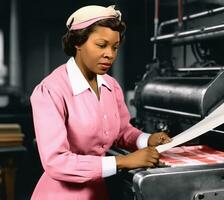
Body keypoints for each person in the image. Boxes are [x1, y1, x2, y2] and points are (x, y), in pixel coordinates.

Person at [30, 5, 171, 200]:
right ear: (78, 43)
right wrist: (122, 161)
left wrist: (147, 139)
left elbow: (122, 131)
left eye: (115, 47)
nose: (110, 55)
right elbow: (56, 161)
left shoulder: (111, 86)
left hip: (97, 192)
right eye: (101, 45)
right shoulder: (50, 91)